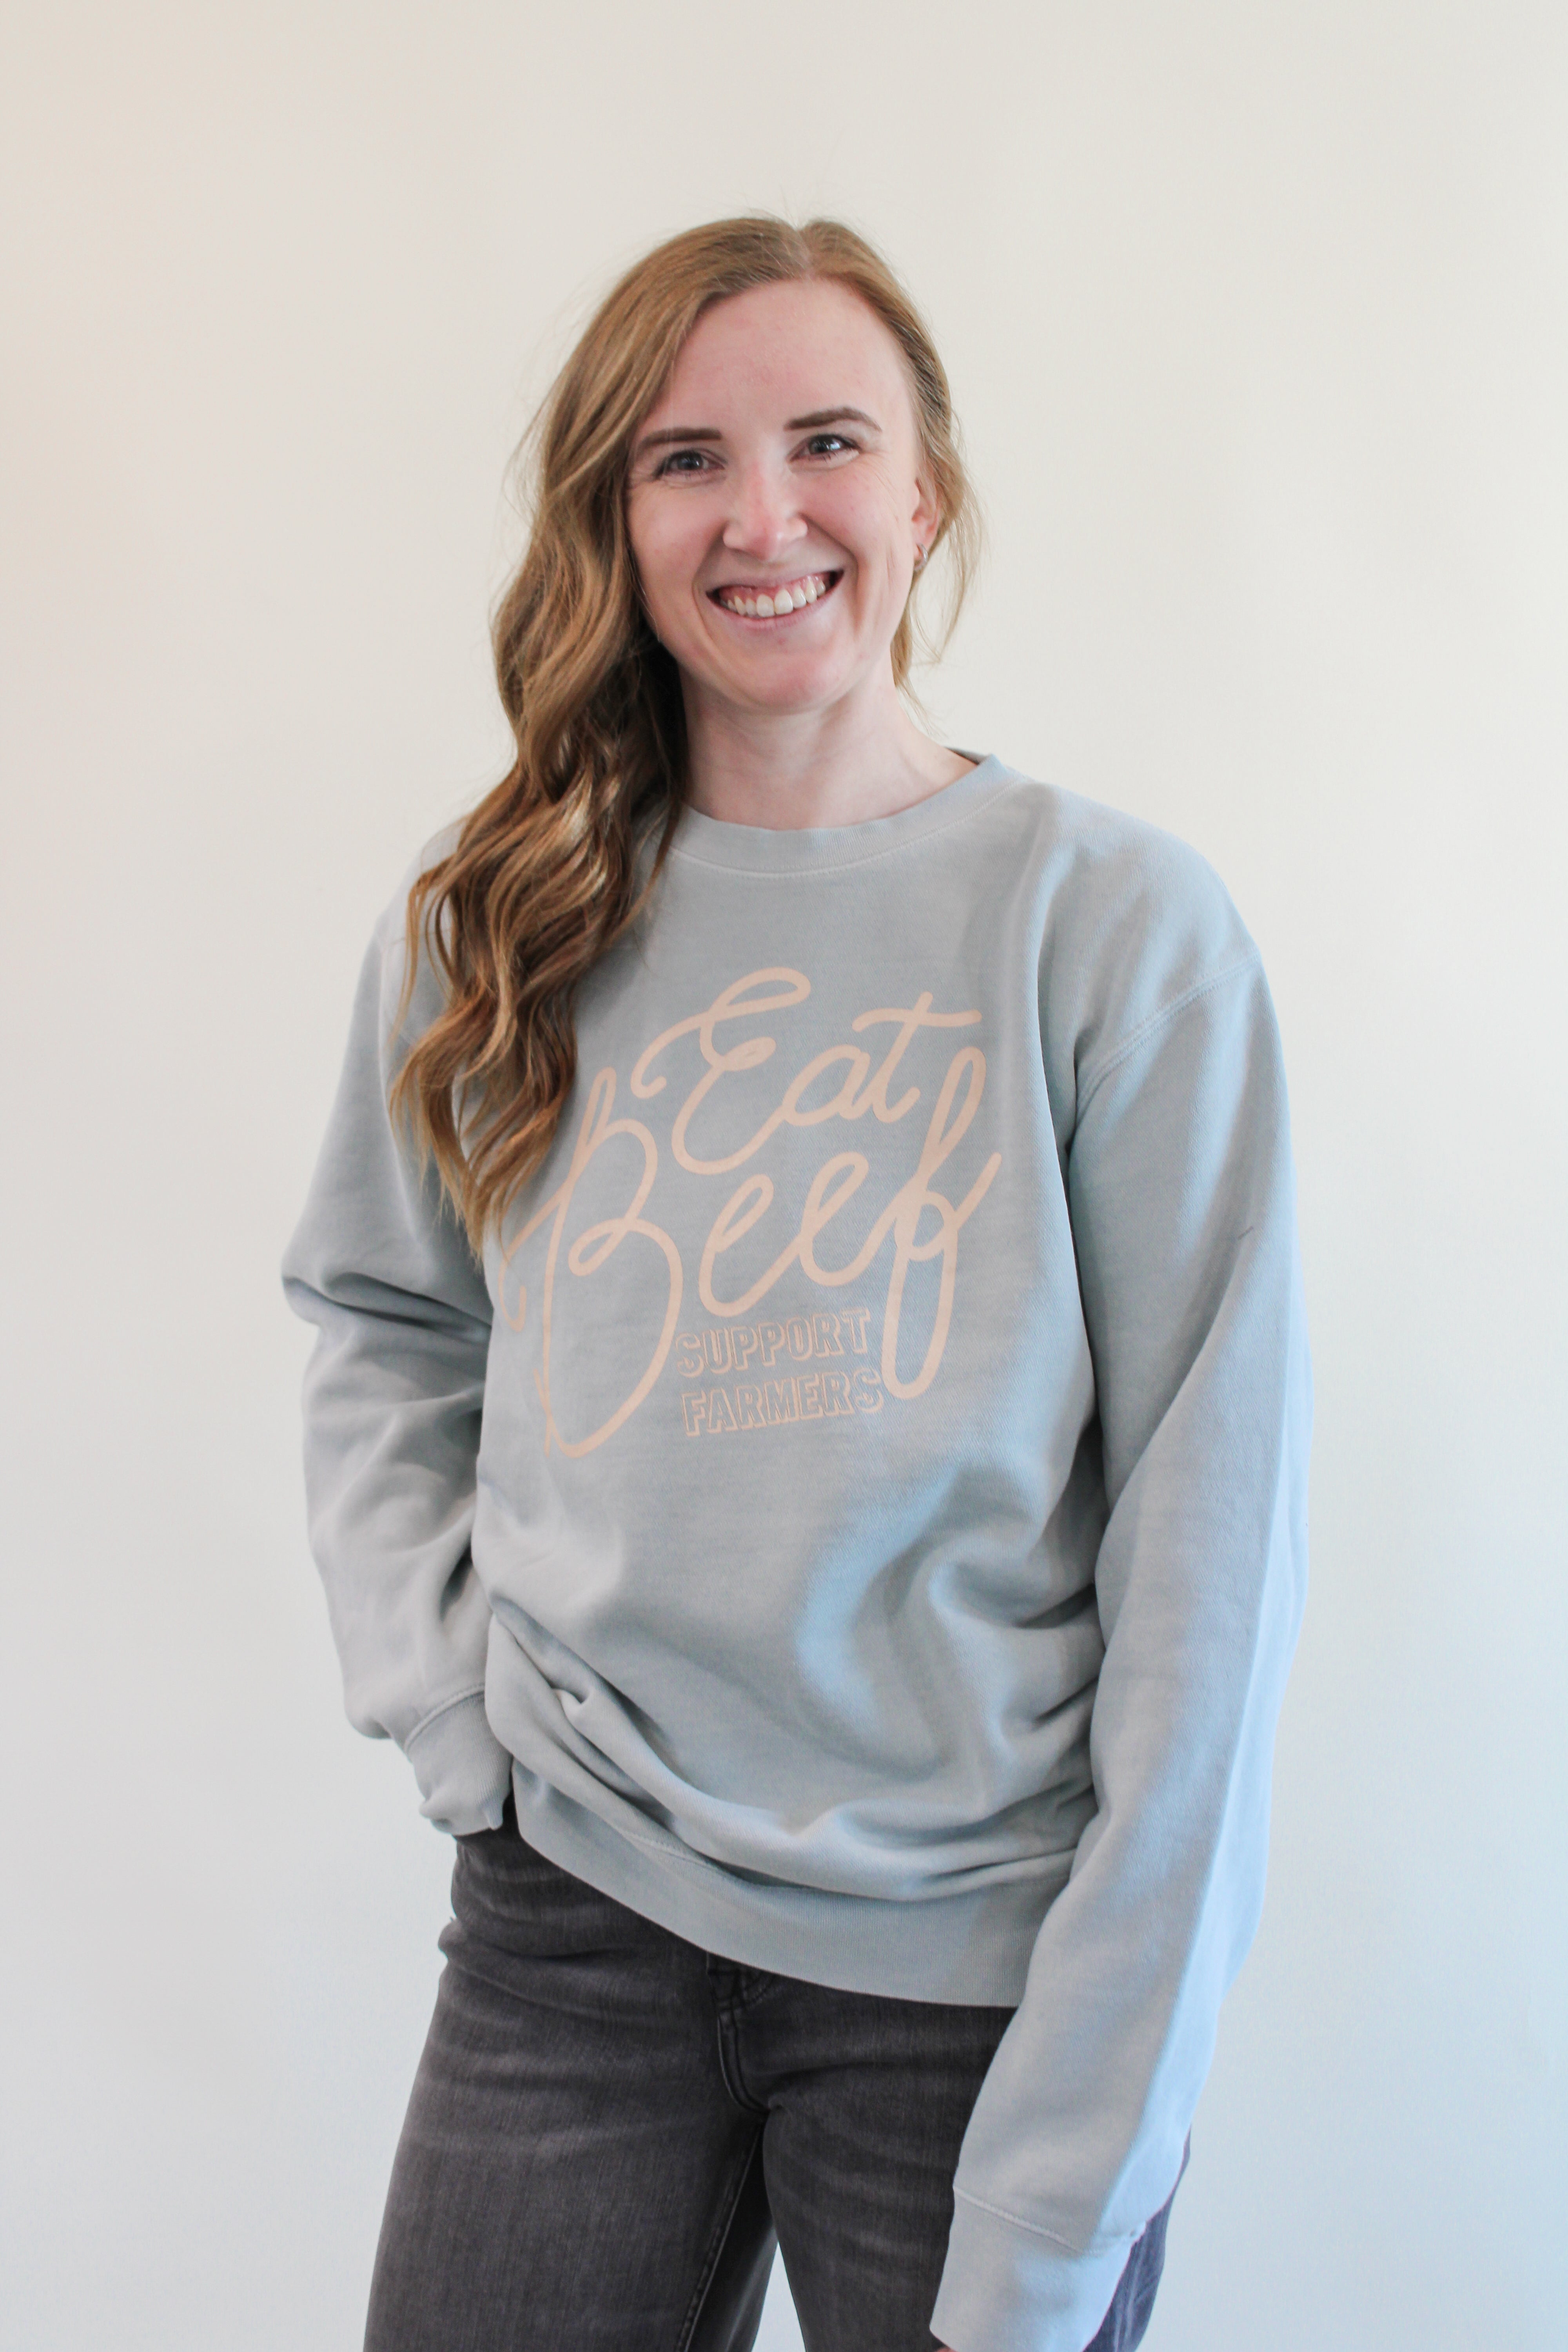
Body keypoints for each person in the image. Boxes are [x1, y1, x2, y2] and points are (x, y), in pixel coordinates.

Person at [282, 214, 1310, 2352]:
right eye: (687, 460)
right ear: (615, 518)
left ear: (924, 496)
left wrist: (1084, 2149)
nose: (765, 519)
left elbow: (1212, 1568)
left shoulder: (1108, 929)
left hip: (972, 1979)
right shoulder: (495, 923)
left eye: (828, 442)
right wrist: (450, 1710)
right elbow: (387, 1328)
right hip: (572, 1932)